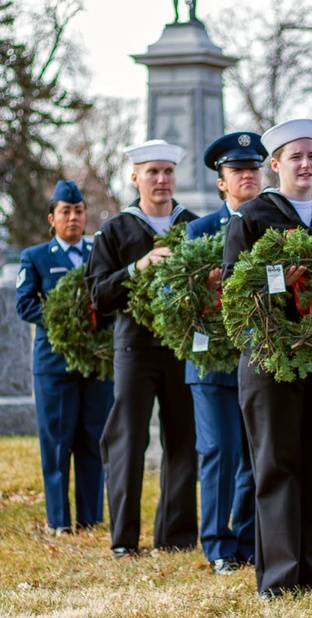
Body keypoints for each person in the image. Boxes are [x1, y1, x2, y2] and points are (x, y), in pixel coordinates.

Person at [222, 119, 312, 599]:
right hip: (270, 360)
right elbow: (235, 285)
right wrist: (279, 278)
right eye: (295, 157)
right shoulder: (253, 215)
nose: (306, 164)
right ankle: (279, 578)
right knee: (276, 465)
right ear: (276, 164)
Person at [84, 140, 199, 557]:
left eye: (168, 171)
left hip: (183, 346)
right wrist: (139, 266)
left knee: (184, 440)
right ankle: (124, 539)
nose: (162, 179)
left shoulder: (193, 226)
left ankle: (177, 536)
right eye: (152, 171)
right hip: (134, 348)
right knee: (128, 441)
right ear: (135, 177)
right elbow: (98, 293)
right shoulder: (116, 230)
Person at [185, 132, 266, 574]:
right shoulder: (199, 232)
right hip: (212, 361)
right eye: (238, 171)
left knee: (254, 456)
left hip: (259, 359)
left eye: (253, 168)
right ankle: (218, 544)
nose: (247, 176)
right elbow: (176, 297)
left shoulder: (272, 225)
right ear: (221, 183)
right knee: (219, 451)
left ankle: (249, 540)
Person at [16, 180, 113, 535]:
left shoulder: (100, 253)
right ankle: (59, 520)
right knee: (57, 441)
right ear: (52, 218)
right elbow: (25, 304)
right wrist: (66, 317)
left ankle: (90, 516)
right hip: (54, 364)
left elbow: (112, 298)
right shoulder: (36, 257)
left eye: (79, 211)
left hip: (96, 361)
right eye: (65, 212)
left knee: (92, 438)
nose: (73, 218)